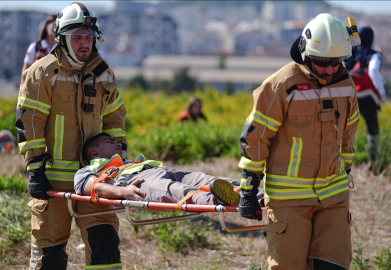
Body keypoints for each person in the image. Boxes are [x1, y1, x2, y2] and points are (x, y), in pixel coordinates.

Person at [237, 13, 360, 270]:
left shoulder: (345, 84)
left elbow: (349, 130)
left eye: (335, 63)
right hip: (289, 200)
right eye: (322, 63)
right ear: (305, 53)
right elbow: (256, 138)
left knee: (333, 265)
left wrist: (346, 167)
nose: (330, 70)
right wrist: (248, 188)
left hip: (334, 196)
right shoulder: (282, 85)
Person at [15, 3, 127, 270]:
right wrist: (35, 170)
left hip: (95, 182)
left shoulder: (103, 74)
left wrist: (117, 158)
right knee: (49, 256)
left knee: (106, 249)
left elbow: (115, 118)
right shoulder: (42, 73)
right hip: (53, 183)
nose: (84, 44)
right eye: (77, 37)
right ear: (61, 38)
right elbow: (30, 122)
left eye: (88, 38)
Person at [75, 132, 244, 206]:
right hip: (137, 182)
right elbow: (94, 187)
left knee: (204, 179)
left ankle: (255, 196)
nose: (118, 144)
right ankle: (219, 200)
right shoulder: (88, 171)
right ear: (93, 151)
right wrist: (124, 192)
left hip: (159, 171)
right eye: (110, 142)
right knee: (175, 190)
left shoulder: (126, 161)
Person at [346, 26, 387, 172]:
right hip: (369, 98)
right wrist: (382, 93)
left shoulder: (352, 53)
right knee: (373, 130)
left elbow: (346, 72)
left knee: (345, 130)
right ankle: (372, 162)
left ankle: (342, 162)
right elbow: (374, 71)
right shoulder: (374, 55)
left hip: (352, 97)